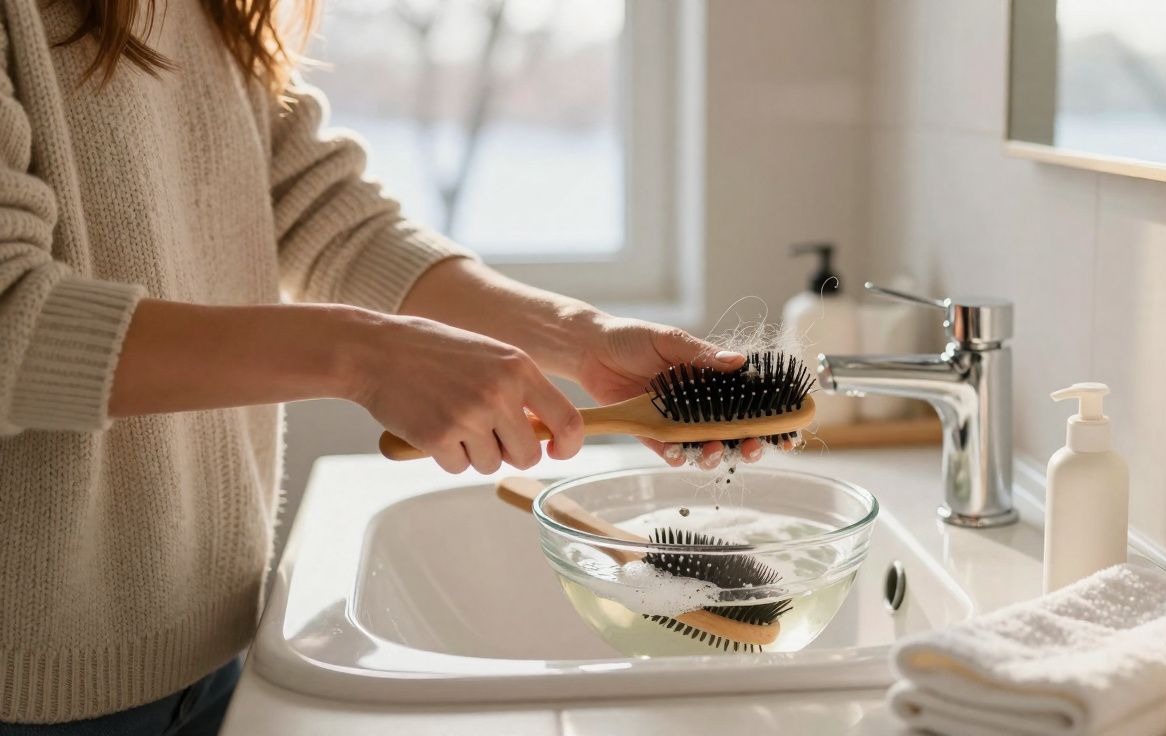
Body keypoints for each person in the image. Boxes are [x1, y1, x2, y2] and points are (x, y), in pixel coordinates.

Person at [0, 1, 767, 732]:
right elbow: (12, 315)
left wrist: (579, 338)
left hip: (216, 643)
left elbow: (321, 212)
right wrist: (367, 356)